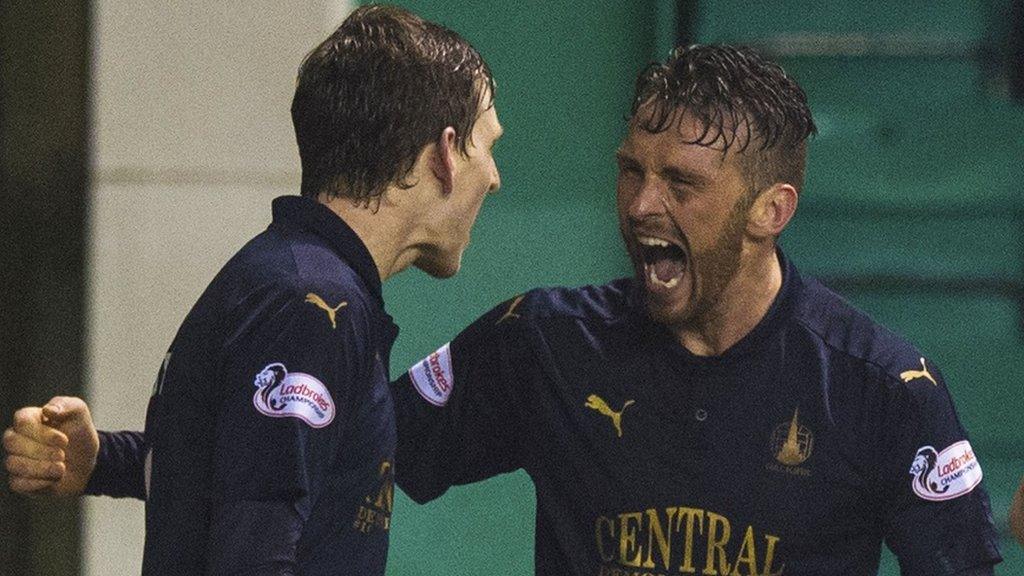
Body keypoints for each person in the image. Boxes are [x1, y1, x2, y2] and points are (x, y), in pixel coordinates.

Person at [5, 45, 1000, 575]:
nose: (642, 206)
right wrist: (111, 465)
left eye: (681, 183)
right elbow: (320, 453)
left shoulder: (883, 389)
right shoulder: (545, 343)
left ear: (770, 210)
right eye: (629, 172)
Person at [3, 4, 501, 575]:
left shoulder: (288, 281)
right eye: (487, 146)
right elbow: (253, 551)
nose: (493, 176)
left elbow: (233, 470)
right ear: (444, 155)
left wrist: (105, 464)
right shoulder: (311, 305)